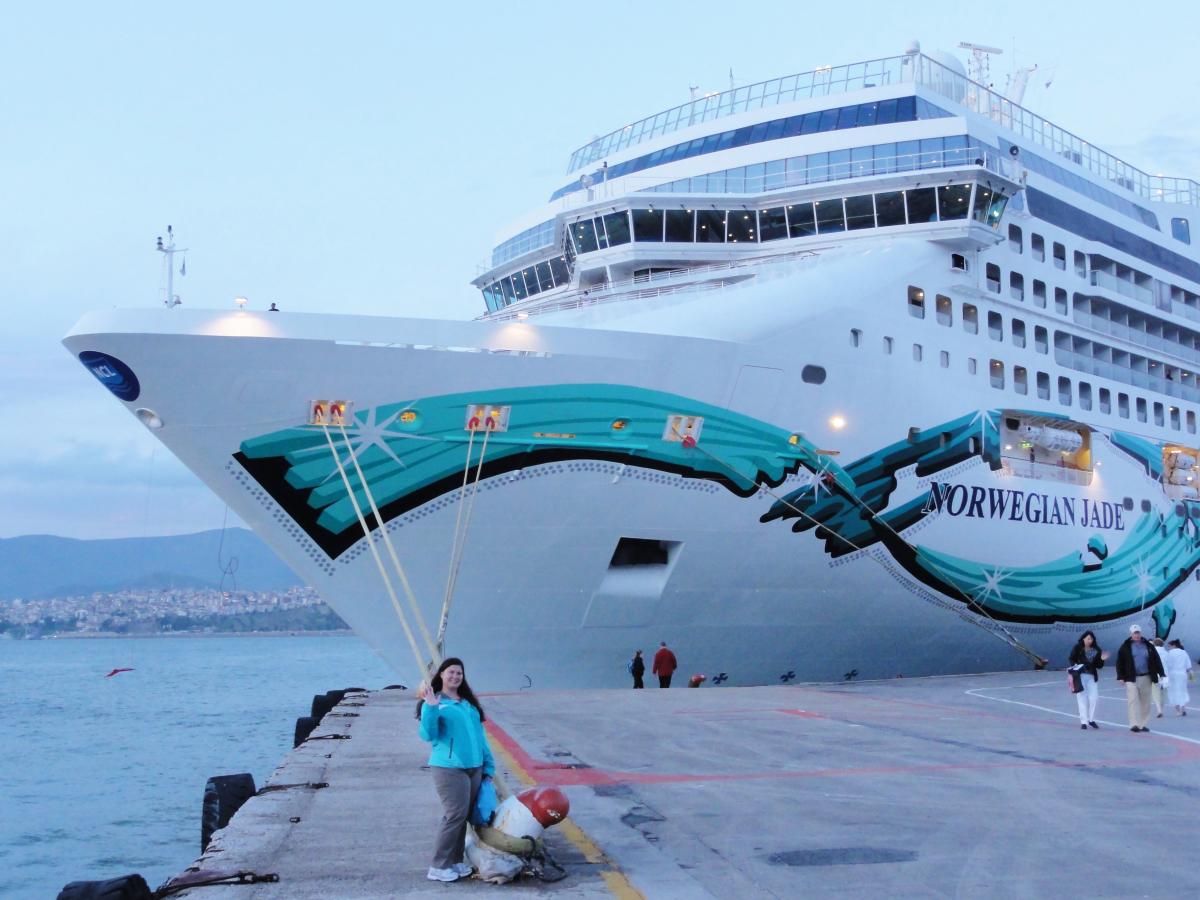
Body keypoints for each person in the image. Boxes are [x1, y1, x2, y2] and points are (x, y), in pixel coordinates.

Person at [416, 657, 495, 882]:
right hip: (449, 767)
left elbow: (480, 739)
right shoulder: (434, 702)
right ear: (441, 675)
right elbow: (427, 735)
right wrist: (430, 708)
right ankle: (438, 866)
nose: (455, 676)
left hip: (474, 767)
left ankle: (456, 861)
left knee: (464, 817)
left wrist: (488, 765)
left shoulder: (468, 704)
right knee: (454, 815)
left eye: (459, 673)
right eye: (450, 672)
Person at [1115, 624, 1165, 732]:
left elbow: (1156, 659)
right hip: (1131, 678)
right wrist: (1120, 676)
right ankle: (1133, 724)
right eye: (1134, 633)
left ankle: (1142, 724)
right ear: (1131, 634)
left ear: (1141, 633)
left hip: (1146, 677)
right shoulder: (1125, 646)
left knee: (1146, 702)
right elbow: (1120, 662)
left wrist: (1161, 673)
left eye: (1138, 632)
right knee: (1132, 701)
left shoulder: (1148, 645)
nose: (1137, 635)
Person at [1068, 630, 1108, 729]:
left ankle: (1091, 719)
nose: (1090, 641)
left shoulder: (1096, 649)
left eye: (1091, 639)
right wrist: (1075, 665)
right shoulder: (1078, 647)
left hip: (1091, 676)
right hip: (1080, 675)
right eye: (1088, 638)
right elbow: (1071, 658)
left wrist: (1102, 659)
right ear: (1083, 638)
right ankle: (1084, 722)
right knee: (1082, 697)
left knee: (1094, 697)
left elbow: (1099, 665)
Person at [1163, 639, 1193, 715]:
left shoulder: (1169, 653)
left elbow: (1166, 665)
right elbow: (1188, 665)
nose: (1169, 648)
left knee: (1173, 692)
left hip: (1172, 674)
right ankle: (1183, 708)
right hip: (1182, 674)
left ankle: (1177, 710)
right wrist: (1190, 673)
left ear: (1174, 645)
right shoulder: (1184, 652)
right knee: (1182, 691)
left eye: (1169, 646)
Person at [1151, 638, 1168, 718]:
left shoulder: (1152, 652)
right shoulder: (1166, 653)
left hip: (1155, 674)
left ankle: (1159, 710)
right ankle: (1161, 708)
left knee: (1155, 693)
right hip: (1165, 675)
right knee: (1163, 693)